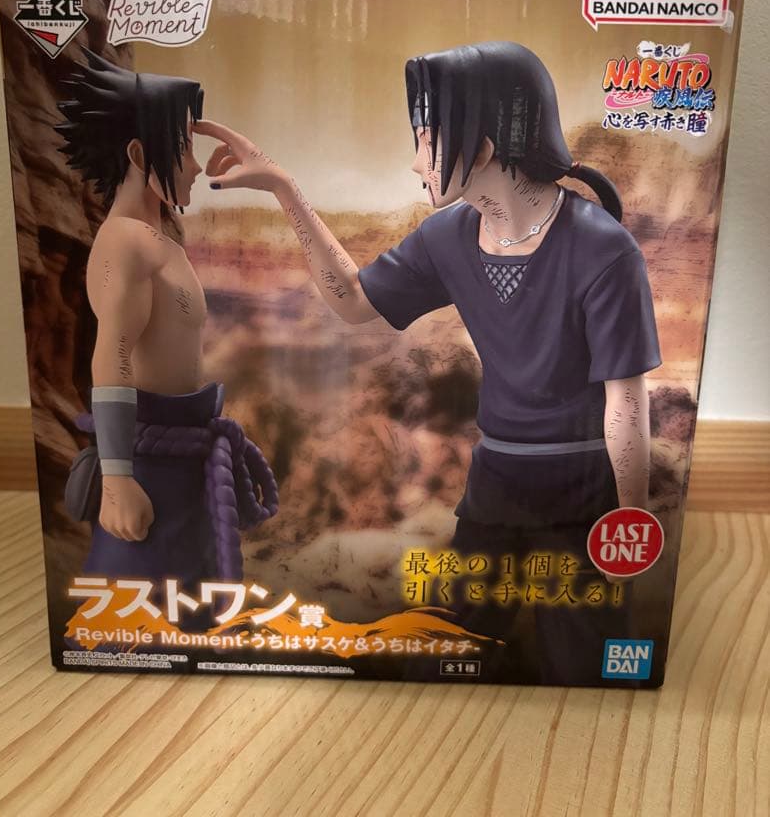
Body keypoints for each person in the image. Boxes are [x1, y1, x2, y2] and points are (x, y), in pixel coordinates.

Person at [195, 41, 661, 682]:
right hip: (494, 488)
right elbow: (353, 301)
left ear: (485, 147)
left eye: (427, 141)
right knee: (453, 652)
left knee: (585, 666)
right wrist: (286, 190)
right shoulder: (448, 237)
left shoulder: (605, 250)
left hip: (584, 494)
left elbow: (624, 399)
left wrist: (630, 517)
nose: (416, 162)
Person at [56, 49, 277, 605]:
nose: (196, 168)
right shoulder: (125, 242)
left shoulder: (160, 239)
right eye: (184, 148)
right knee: (142, 613)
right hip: (147, 465)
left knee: (186, 611)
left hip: (181, 460)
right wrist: (117, 479)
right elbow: (113, 353)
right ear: (138, 153)